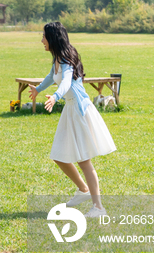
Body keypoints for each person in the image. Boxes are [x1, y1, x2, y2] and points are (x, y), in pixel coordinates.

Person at [28, 22, 116, 218]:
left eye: (43, 36)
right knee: (59, 155)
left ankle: (99, 208)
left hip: (79, 110)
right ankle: (83, 190)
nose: (41, 40)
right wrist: (38, 89)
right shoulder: (58, 58)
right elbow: (52, 76)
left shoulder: (67, 58)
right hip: (70, 110)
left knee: (84, 160)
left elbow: (66, 81)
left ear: (52, 38)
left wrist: (55, 97)